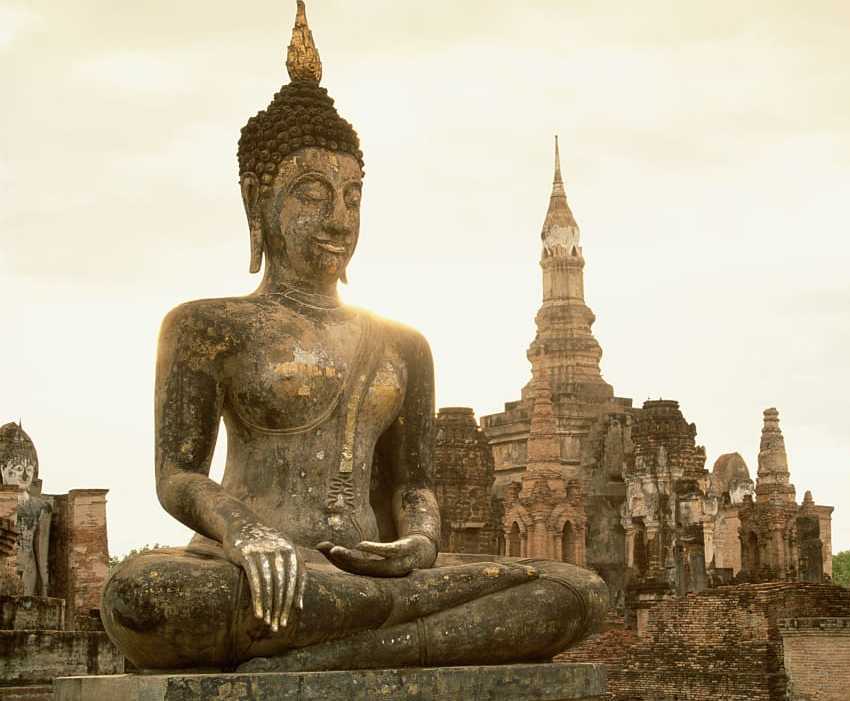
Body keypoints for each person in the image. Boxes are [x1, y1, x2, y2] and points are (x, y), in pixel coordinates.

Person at [100, 1, 605, 672]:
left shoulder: (404, 345)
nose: (338, 217)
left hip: (378, 581)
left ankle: (323, 651)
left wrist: (420, 543)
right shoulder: (206, 326)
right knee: (145, 595)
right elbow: (177, 475)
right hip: (255, 574)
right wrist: (245, 531)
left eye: (353, 197)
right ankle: (376, 639)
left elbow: (413, 487)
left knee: (576, 592)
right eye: (312, 193)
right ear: (258, 202)